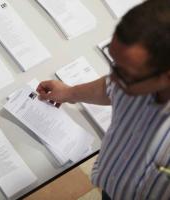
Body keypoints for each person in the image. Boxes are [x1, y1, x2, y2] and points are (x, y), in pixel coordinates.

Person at [37, 0, 170, 199]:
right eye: (113, 61)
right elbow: (108, 88)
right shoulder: (129, 80)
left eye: (124, 74)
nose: (114, 78)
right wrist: (69, 93)